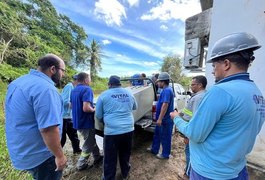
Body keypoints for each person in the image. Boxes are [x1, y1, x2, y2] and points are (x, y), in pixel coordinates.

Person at [170, 32, 265, 179]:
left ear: (226, 64)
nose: (213, 71)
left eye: (214, 65)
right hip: (237, 170)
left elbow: (195, 134)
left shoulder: (221, 91)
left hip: (210, 172)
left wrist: (176, 117)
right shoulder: (256, 92)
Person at [5, 54, 67, 179]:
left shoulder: (18, 82)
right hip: (42, 155)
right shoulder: (46, 89)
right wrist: (60, 156)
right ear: (53, 69)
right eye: (63, 71)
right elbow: (48, 129)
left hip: (21, 149)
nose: (63, 75)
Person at [96, 75, 137, 180]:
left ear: (109, 84)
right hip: (128, 129)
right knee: (125, 154)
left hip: (112, 132)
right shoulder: (129, 93)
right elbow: (134, 107)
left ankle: (109, 177)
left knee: (110, 158)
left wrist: (105, 121)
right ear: (120, 84)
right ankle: (125, 174)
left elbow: (98, 115)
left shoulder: (103, 95)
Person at [70, 72, 102, 170]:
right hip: (86, 122)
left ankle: (97, 156)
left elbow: (71, 105)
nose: (90, 81)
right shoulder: (87, 89)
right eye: (90, 79)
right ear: (85, 80)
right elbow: (86, 108)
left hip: (77, 121)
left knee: (91, 140)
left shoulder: (74, 90)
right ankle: (81, 164)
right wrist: (95, 109)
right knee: (88, 144)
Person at [179, 75, 207, 177]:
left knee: (189, 152)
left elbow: (194, 119)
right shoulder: (203, 95)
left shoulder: (198, 98)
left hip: (191, 133)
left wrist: (187, 136)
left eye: (193, 84)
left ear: (200, 85)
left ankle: (188, 174)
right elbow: (189, 112)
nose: (191, 86)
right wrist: (181, 114)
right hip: (194, 132)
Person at [147, 72, 174, 159]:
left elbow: (165, 105)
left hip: (165, 119)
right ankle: (154, 149)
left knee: (166, 137)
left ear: (163, 82)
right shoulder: (165, 90)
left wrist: (160, 119)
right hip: (162, 119)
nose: (157, 83)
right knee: (157, 134)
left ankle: (165, 154)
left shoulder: (167, 90)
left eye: (158, 82)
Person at [60, 75, 82, 154]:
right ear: (77, 80)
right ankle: (56, 155)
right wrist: (78, 105)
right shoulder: (69, 86)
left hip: (70, 117)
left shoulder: (74, 88)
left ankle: (77, 150)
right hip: (64, 117)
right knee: (62, 138)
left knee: (74, 136)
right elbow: (65, 102)